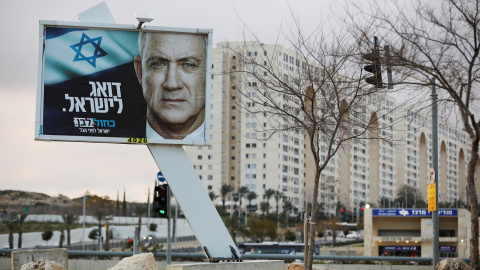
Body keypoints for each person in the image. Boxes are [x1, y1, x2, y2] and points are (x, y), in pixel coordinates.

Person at [134, 32, 206, 140]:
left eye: (188, 65)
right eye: (158, 64)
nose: (172, 84)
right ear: (140, 72)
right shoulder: (118, 134)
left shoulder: (221, 138)